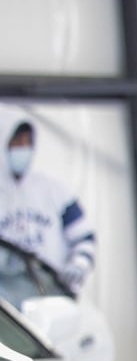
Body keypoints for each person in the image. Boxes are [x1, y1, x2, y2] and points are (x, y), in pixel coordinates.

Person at [0, 105, 96, 309]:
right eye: (17, 142)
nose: (23, 148)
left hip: (50, 294)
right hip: (6, 304)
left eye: (28, 143)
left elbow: (84, 237)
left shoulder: (54, 190)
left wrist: (79, 264)